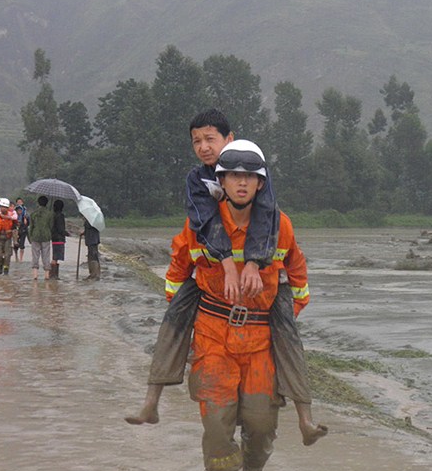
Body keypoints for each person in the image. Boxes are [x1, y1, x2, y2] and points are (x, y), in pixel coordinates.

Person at [126, 110, 326, 448]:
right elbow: (199, 229)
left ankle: (305, 418)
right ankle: (151, 401)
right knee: (173, 323)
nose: (204, 147)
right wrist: (214, 278)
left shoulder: (273, 210)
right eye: (197, 141)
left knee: (289, 339)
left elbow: (270, 227)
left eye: (211, 139)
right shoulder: (196, 183)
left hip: (260, 309)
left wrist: (254, 265)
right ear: (221, 179)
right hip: (213, 315)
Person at [168, 140, 309, 471]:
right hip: (214, 340)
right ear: (222, 182)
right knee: (217, 428)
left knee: (261, 428)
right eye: (234, 176)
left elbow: (298, 280)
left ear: (260, 184)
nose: (242, 183)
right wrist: (191, 319)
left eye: (249, 176)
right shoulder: (199, 226)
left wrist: (283, 315)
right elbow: (177, 275)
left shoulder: (280, 227)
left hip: (261, 343)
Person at [28, 195, 54, 281]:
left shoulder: (33, 213)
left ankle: (35, 276)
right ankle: (46, 276)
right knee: (46, 255)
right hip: (46, 236)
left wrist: (30, 238)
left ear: (38, 203)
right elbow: (51, 226)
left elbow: (31, 227)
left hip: (35, 236)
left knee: (35, 255)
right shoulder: (50, 214)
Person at [50, 199, 69, 280]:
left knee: (55, 257)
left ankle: (54, 275)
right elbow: (61, 229)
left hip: (54, 238)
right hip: (59, 239)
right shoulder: (60, 216)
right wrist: (67, 233)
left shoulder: (53, 215)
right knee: (55, 257)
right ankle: (53, 275)